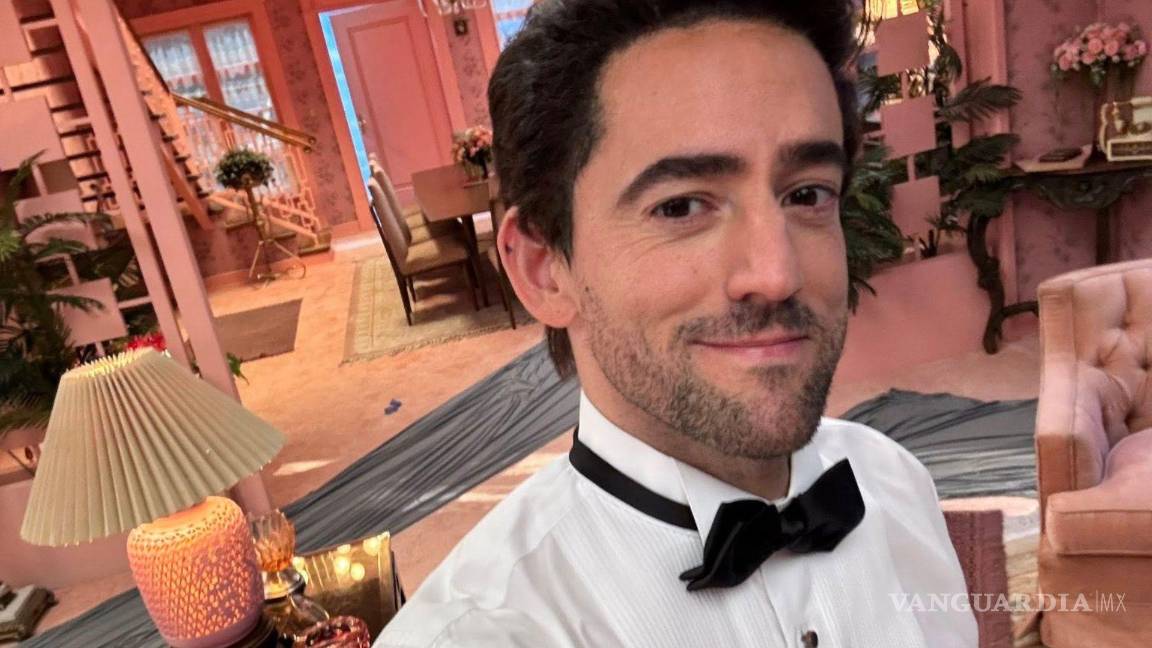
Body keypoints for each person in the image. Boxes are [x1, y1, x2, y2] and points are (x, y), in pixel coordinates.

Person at [376, 0, 978, 646]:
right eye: (682, 207)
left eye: (807, 194)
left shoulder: (896, 486)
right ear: (544, 269)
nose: (777, 274)